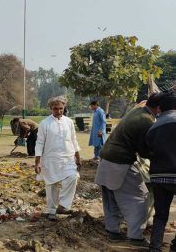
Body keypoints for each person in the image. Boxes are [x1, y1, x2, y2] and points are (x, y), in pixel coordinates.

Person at [94, 93, 161, 247]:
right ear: (158, 108)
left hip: (106, 158)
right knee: (141, 197)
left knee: (111, 198)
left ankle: (113, 232)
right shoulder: (147, 121)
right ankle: (136, 237)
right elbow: (144, 151)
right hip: (121, 162)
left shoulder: (138, 111)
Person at [35, 96, 81, 221]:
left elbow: (73, 140)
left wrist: (78, 158)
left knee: (73, 177)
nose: (59, 111)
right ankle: (51, 210)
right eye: (56, 109)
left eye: (61, 108)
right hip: (51, 159)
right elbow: (39, 143)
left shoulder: (69, 122)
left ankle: (63, 205)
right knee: (51, 185)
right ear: (51, 108)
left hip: (68, 158)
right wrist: (37, 162)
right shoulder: (45, 123)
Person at [146, 91, 176, 252]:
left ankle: (155, 248)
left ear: (159, 108)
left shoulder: (152, 128)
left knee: (160, 215)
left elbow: (149, 150)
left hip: (158, 176)